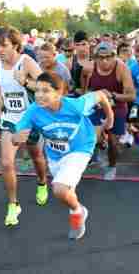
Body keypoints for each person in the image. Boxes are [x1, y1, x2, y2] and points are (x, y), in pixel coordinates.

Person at [13, 72, 114, 239]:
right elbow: (17, 136)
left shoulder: (76, 105)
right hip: (55, 155)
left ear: (59, 93)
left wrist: (109, 119)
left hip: (81, 148)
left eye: (45, 91)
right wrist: (16, 139)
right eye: (37, 90)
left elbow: (101, 95)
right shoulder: (33, 111)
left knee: (59, 189)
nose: (39, 95)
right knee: (67, 191)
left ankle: (77, 212)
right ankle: (77, 212)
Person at [0, 27, 49, 227]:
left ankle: (42, 182)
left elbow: (46, 88)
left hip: (30, 120)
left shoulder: (27, 62)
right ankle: (13, 204)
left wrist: (25, 81)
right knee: (7, 163)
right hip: (10, 119)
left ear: (15, 45)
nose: (0, 50)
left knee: (36, 157)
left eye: (4, 45)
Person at [84, 42, 136, 179]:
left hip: (116, 107)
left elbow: (131, 95)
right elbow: (85, 91)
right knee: (92, 137)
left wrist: (112, 95)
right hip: (96, 106)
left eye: (108, 57)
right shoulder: (89, 68)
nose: (105, 61)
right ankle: (100, 146)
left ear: (114, 56)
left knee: (113, 141)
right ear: (95, 57)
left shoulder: (122, 69)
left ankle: (112, 166)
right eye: (101, 57)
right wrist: (95, 96)